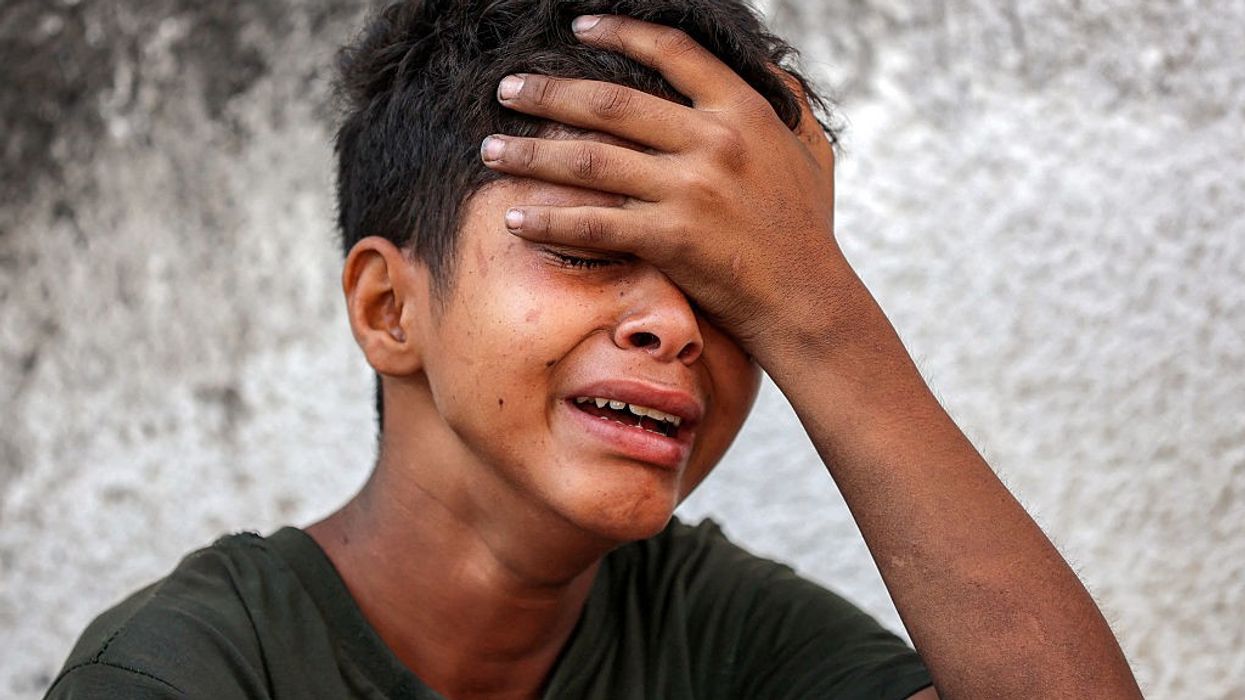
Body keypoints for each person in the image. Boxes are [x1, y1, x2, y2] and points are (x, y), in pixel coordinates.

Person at [47, 1, 1144, 698]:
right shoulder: (186, 671)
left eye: (729, 285)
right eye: (586, 248)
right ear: (391, 307)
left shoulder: (722, 638)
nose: (673, 325)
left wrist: (820, 308)